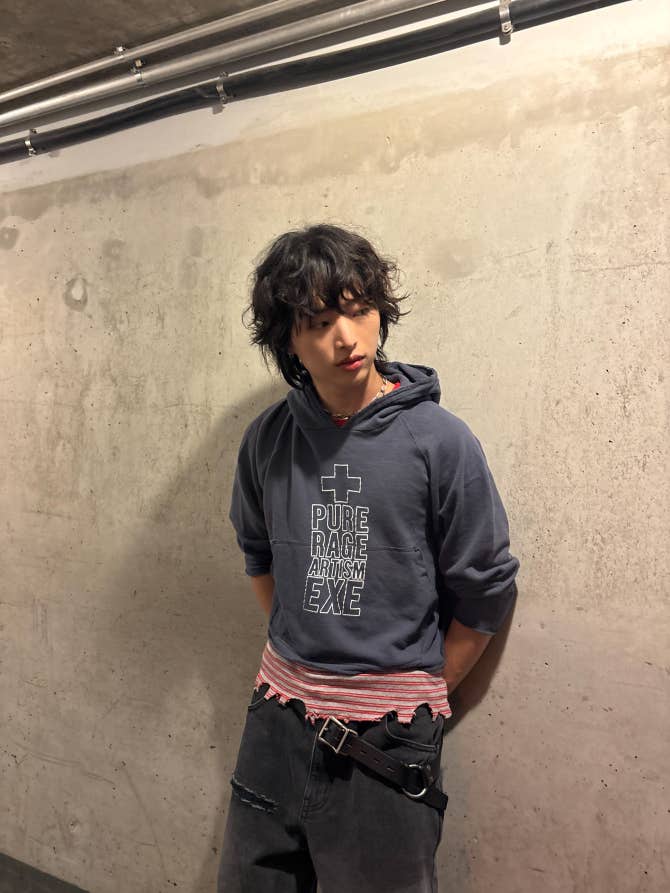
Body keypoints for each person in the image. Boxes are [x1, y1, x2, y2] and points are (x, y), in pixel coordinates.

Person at [217, 224, 519, 893]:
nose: (346, 338)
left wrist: (428, 692)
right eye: (319, 322)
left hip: (388, 736)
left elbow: (488, 586)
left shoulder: (439, 441)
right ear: (288, 341)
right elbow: (258, 554)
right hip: (277, 719)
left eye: (359, 310)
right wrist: (298, 642)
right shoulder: (268, 440)